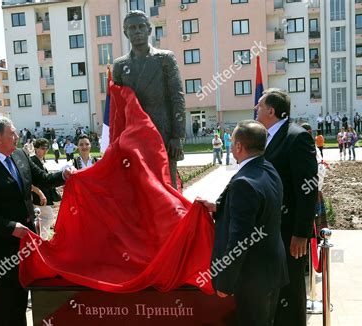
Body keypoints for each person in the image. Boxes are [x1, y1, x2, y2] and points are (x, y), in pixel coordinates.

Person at [0, 117, 74, 325]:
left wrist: (64, 174)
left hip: (26, 243)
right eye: (12, 134)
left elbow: (42, 179)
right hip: (1, 246)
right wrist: (9, 227)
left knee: (22, 297)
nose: (17, 137)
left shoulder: (20, 155)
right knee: (4, 303)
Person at [197, 120, 288, 325]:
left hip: (253, 277)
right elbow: (259, 210)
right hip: (272, 268)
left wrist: (225, 282)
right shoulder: (268, 168)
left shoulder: (243, 183)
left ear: (238, 146)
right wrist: (219, 207)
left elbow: (239, 239)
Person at [256, 89, 318, 326]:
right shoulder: (262, 138)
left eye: (259, 105)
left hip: (289, 231)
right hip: (267, 230)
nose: (256, 109)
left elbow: (308, 188)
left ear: (271, 110)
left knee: (290, 290)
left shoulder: (296, 137)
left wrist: (301, 233)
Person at [113, 10, 186, 189]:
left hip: (163, 134)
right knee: (138, 190)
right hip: (133, 137)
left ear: (149, 30)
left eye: (141, 27)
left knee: (166, 188)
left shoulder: (164, 58)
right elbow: (117, 107)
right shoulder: (120, 66)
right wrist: (116, 141)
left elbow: (177, 97)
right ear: (125, 33)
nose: (137, 31)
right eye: (132, 28)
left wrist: (177, 136)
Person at [30, 138, 61, 240]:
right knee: (48, 217)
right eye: (42, 148)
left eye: (46, 148)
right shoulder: (32, 161)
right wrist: (40, 193)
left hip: (40, 195)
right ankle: (40, 239)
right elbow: (28, 182)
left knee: (43, 218)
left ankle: (40, 239)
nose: (45, 151)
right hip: (35, 196)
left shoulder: (39, 160)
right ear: (36, 148)